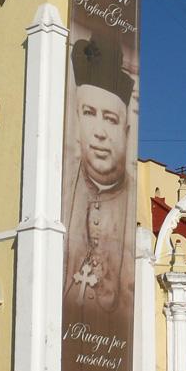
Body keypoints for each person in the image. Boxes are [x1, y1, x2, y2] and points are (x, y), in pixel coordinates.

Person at [63, 38, 135, 317]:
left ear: (126, 132)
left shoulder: (134, 199)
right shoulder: (60, 184)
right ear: (78, 122)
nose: (99, 132)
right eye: (90, 114)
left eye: (111, 119)